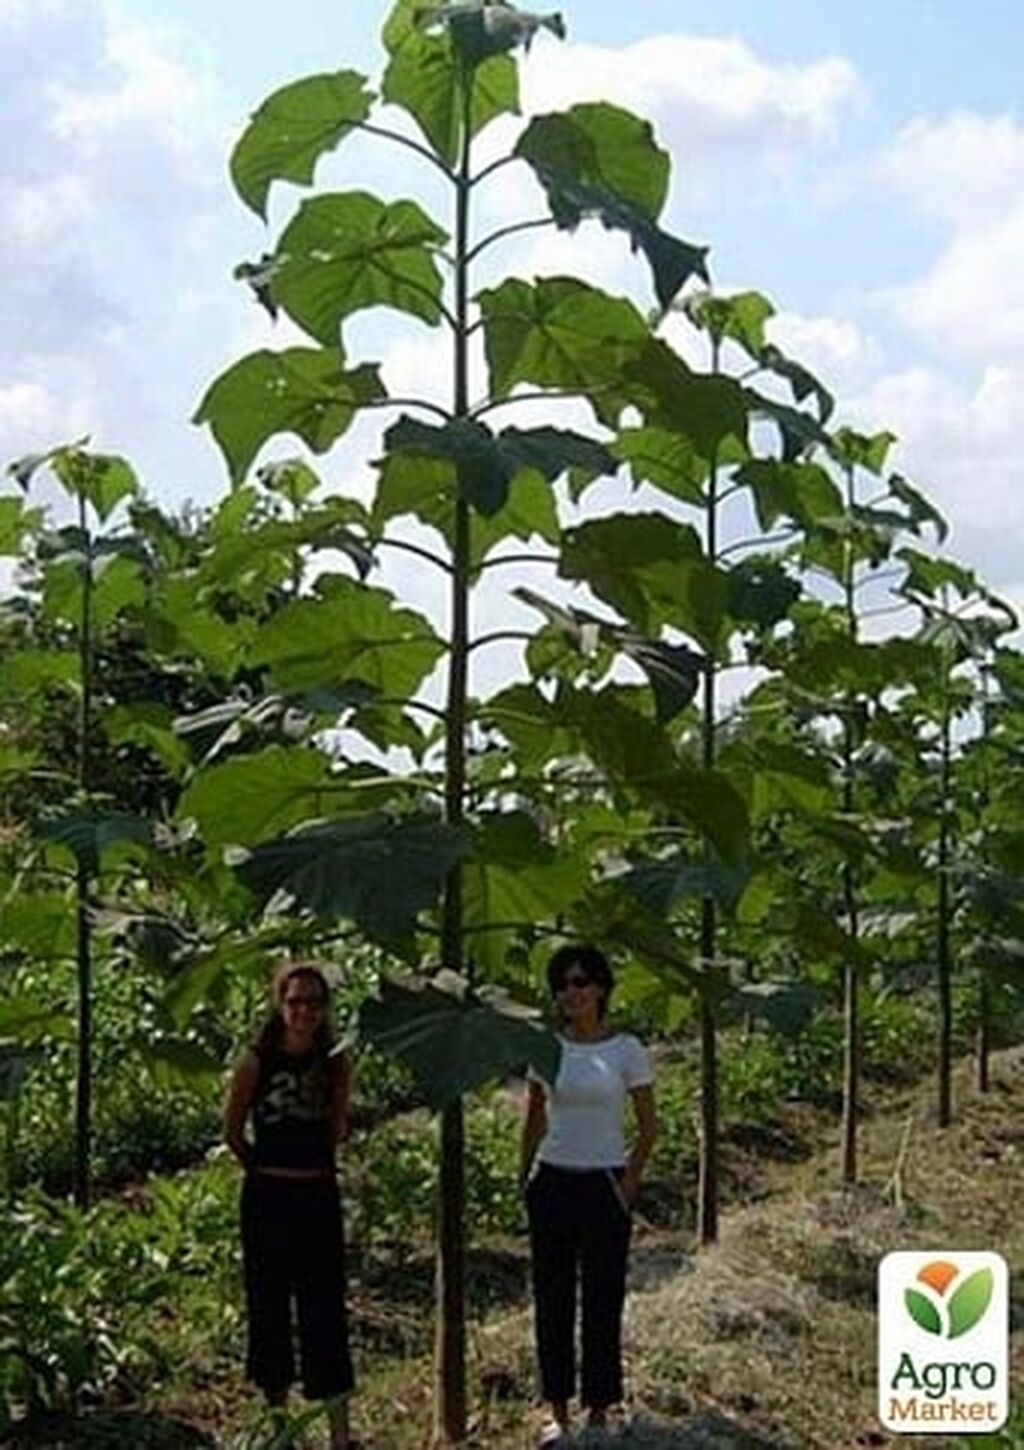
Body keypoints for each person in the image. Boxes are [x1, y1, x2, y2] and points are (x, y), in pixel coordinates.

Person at [521, 944, 658, 1445]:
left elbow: (648, 1126)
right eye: (562, 985)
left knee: (603, 1297)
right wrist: (526, 1177)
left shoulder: (626, 1050)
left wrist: (629, 1182)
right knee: (551, 1297)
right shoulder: (548, 1046)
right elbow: (534, 1116)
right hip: (553, 1179)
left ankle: (599, 1408)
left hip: (604, 1182)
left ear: (600, 987)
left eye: (580, 982)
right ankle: (556, 1410)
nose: (571, 992)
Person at [223, 959, 356, 1450]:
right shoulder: (255, 1061)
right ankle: (279, 1428)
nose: (304, 1011)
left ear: (324, 1011)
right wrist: (265, 1169)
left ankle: (339, 1434)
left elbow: (337, 1129)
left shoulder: (335, 1061)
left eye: (314, 1003)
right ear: (280, 1005)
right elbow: (233, 1133)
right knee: (269, 1307)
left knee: (325, 1310)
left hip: (317, 1193)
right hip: (269, 1198)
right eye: (295, 1001)